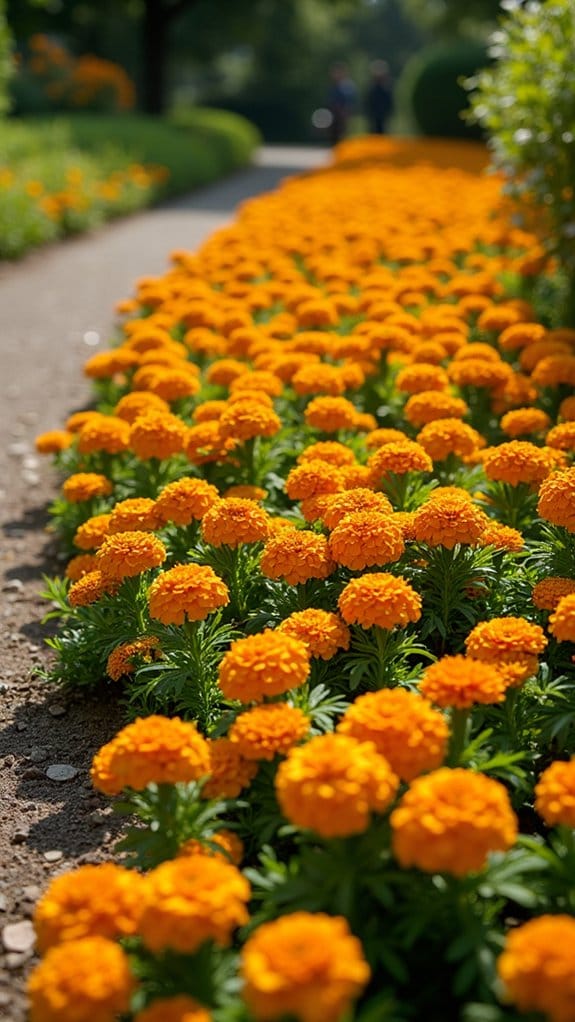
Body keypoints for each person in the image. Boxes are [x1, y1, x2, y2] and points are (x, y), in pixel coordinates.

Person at [326, 63, 357, 146]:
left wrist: (346, 112)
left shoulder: (347, 86)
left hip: (343, 113)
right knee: (333, 133)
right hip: (333, 113)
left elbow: (349, 101)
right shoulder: (333, 85)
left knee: (342, 133)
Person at [365, 60, 394, 135]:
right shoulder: (372, 88)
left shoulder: (386, 87)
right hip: (374, 116)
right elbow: (368, 102)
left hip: (383, 115)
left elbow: (389, 102)